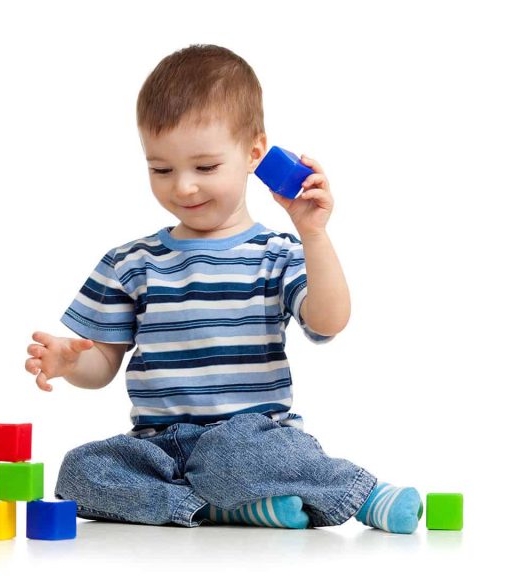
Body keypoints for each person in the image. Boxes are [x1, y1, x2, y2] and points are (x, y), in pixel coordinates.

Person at [24, 44, 422, 533]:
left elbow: (330, 320)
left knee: (244, 457)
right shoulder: (131, 262)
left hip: (247, 437)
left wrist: (313, 234)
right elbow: (101, 363)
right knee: (80, 472)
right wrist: (70, 362)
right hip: (158, 446)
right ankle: (215, 507)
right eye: (161, 169)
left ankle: (363, 493)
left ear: (254, 153)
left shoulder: (277, 254)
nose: (183, 188)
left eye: (205, 167)